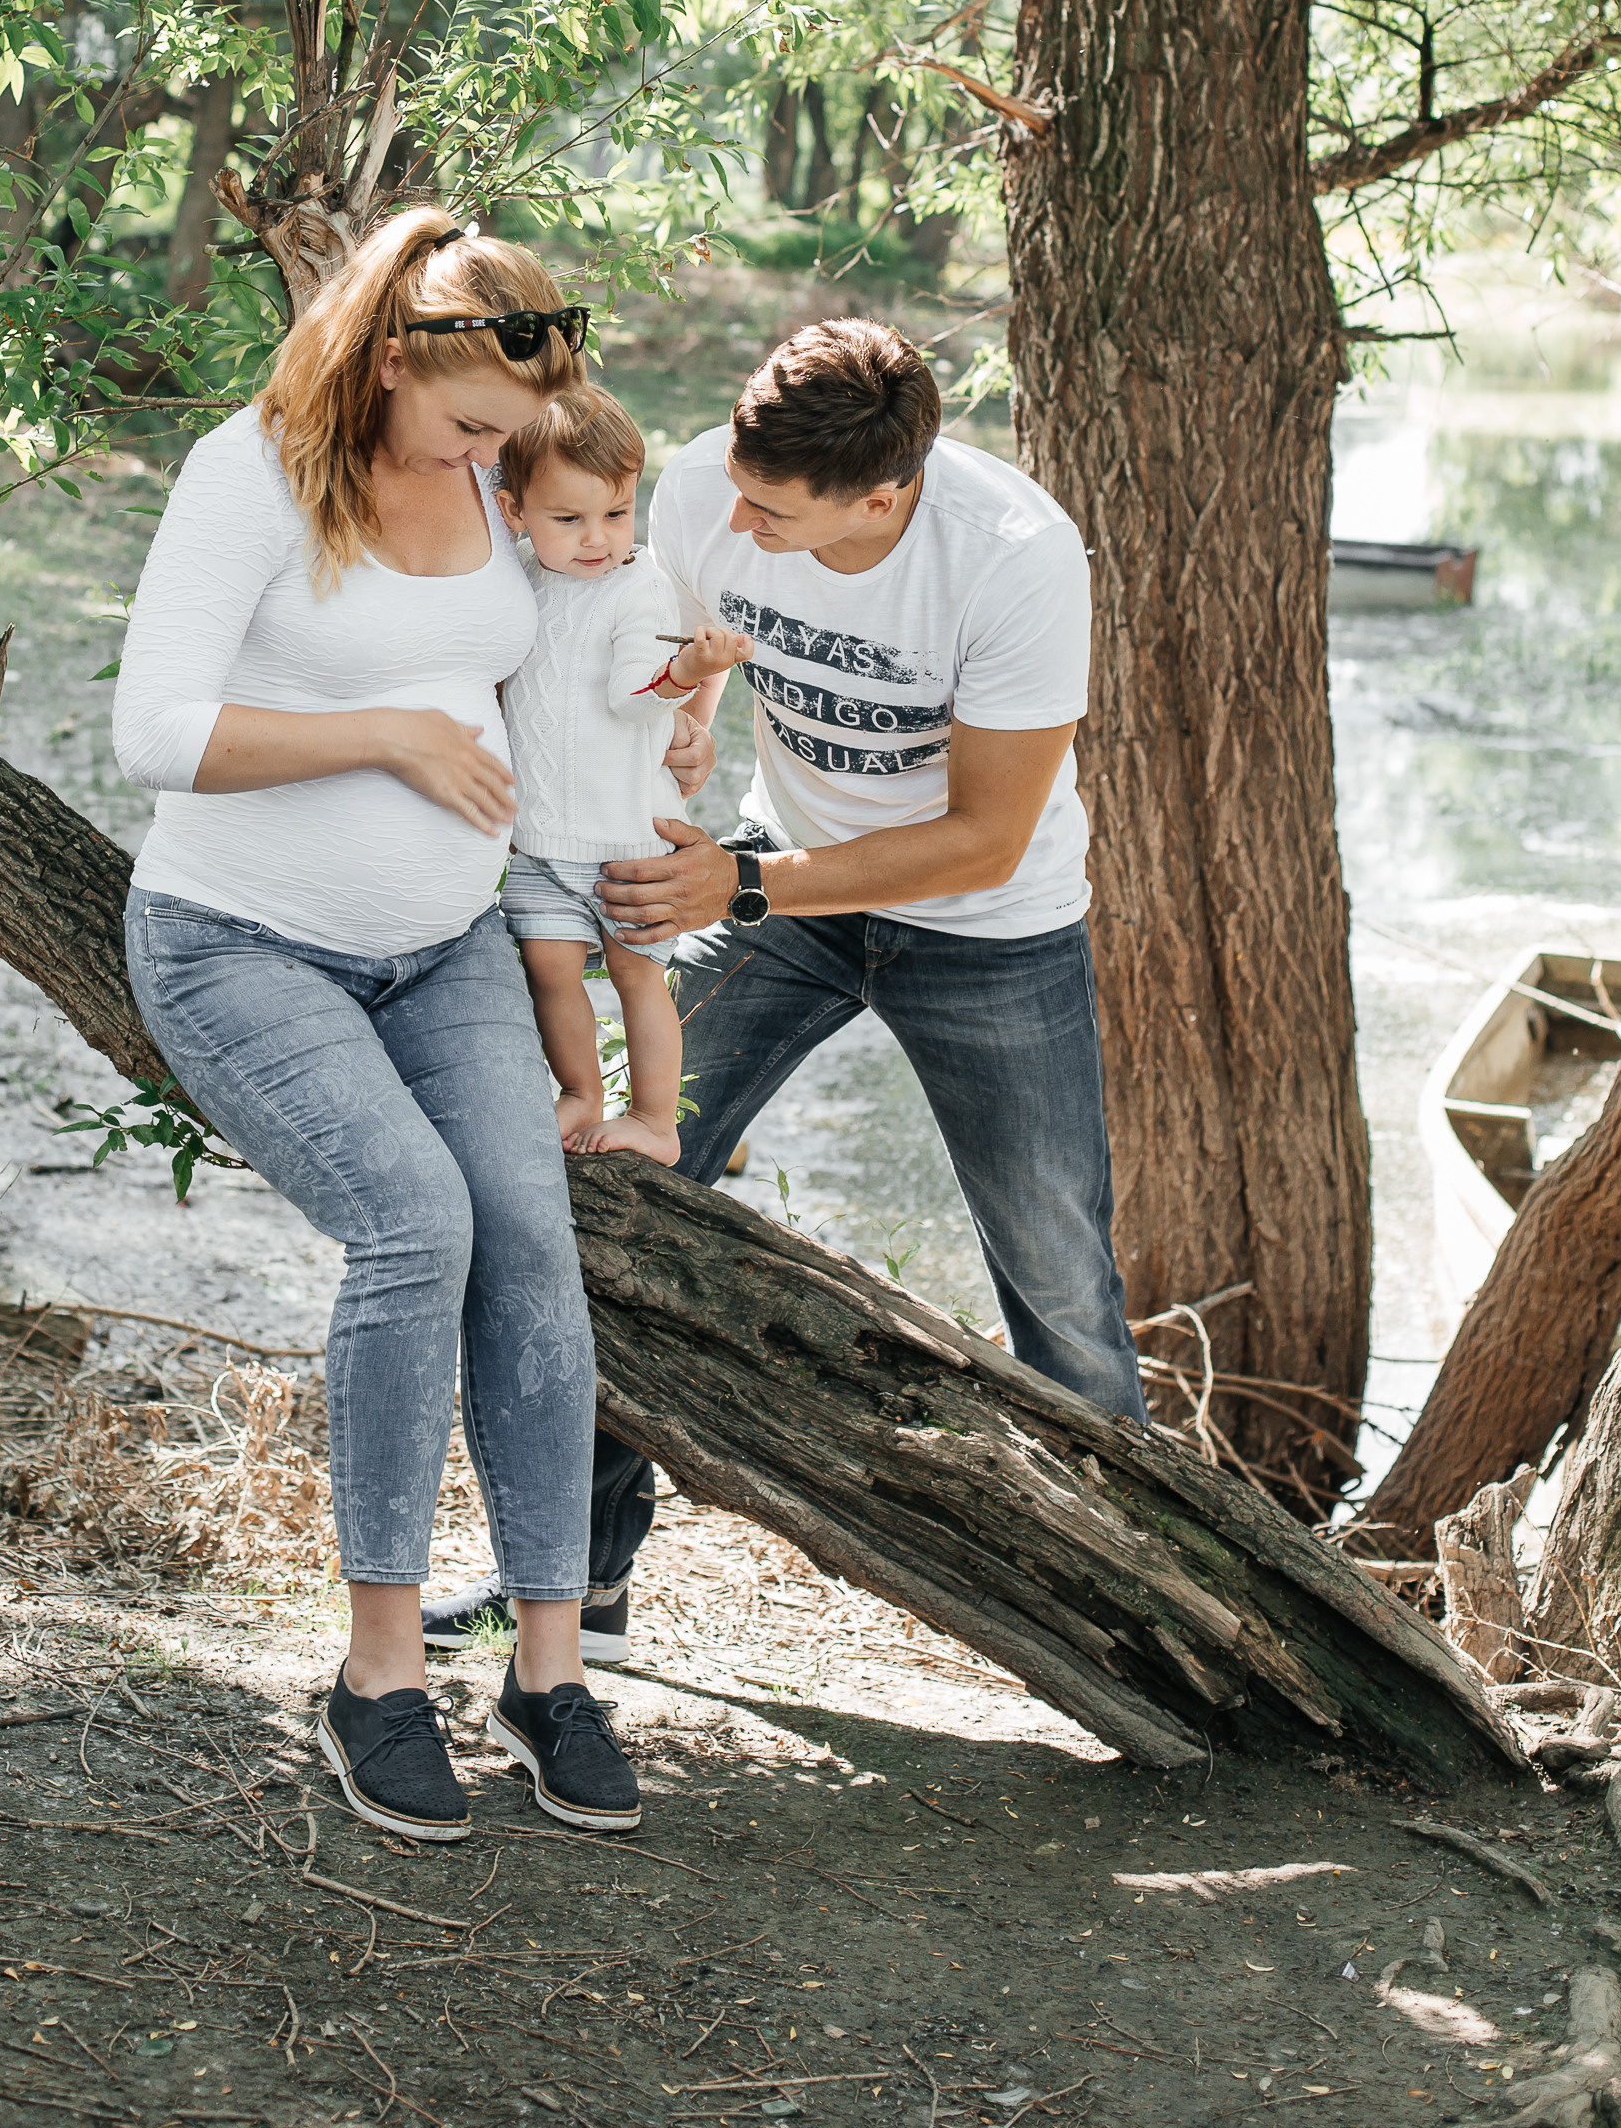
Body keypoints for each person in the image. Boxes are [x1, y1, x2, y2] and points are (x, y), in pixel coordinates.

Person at [423, 315, 1145, 1669]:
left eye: (774, 513)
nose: (736, 524)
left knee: (1058, 1282)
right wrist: (682, 735)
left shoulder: (1014, 558)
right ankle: (574, 1584)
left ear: (881, 496)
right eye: (738, 495)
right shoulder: (709, 483)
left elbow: (986, 838)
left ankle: (1143, 1632)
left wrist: (740, 886)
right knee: (606, 1199)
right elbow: (658, 648)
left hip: (983, 928)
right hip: (775, 885)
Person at [113, 206, 643, 1839]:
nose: (495, 457)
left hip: (447, 947)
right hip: (240, 944)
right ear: (390, 359)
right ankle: (380, 1676)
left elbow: (553, 642)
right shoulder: (252, 476)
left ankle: (550, 1671)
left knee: (530, 1244)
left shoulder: (496, 464)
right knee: (418, 1226)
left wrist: (662, 735)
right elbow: (156, 730)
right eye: (472, 425)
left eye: (510, 433)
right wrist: (389, 737)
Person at [493, 384, 686, 1165]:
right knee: (549, 968)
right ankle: (579, 1092)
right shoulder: (512, 576)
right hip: (539, 834)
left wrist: (681, 677)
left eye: (616, 512)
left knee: (638, 976)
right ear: (514, 512)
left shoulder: (640, 585)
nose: (597, 538)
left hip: (628, 837)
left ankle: (655, 1119)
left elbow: (633, 697)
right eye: (568, 519)